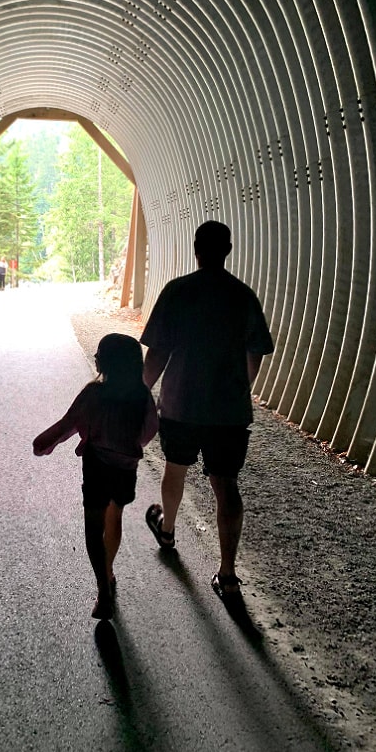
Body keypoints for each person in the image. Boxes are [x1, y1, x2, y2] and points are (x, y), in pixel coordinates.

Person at [140, 221, 274, 603]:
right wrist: (240, 388)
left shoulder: (178, 291)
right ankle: (228, 575)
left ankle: (167, 530)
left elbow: (159, 351)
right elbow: (256, 351)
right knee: (225, 484)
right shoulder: (242, 295)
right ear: (228, 249)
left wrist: (143, 389)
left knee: (175, 468)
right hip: (228, 410)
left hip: (181, 404)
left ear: (195, 247)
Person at [33, 333, 158, 620]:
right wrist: (129, 445)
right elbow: (150, 429)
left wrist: (43, 444)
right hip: (125, 470)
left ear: (105, 362)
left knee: (93, 527)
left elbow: (68, 424)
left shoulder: (93, 393)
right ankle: (110, 572)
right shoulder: (141, 395)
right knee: (115, 517)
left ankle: (103, 589)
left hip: (97, 467)